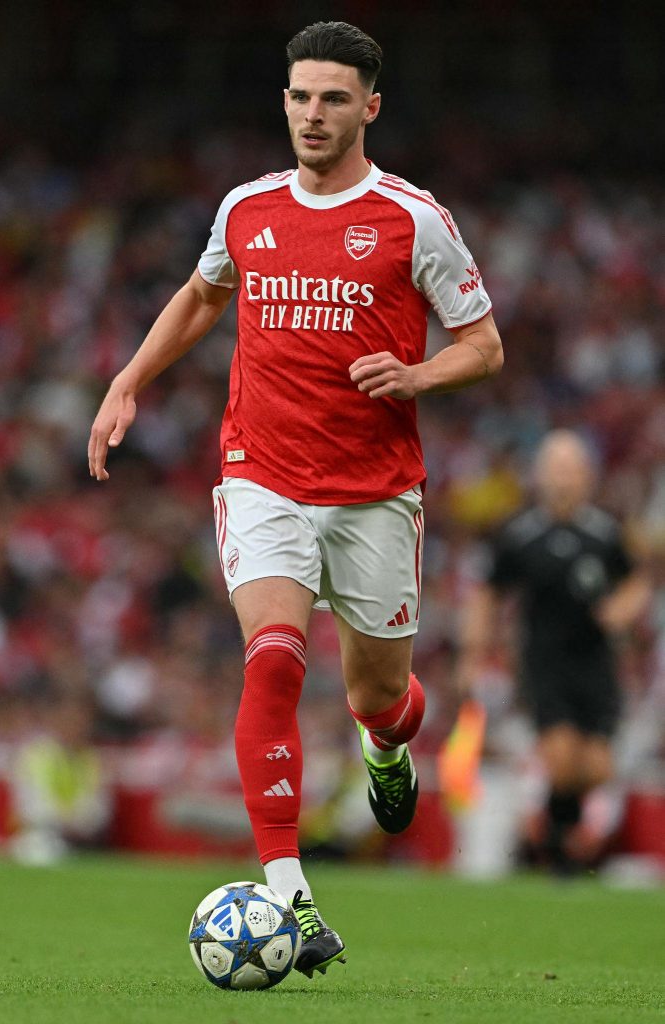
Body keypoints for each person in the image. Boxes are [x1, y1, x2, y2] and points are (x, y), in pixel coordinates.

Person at [88, 21, 502, 975]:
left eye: (333, 98)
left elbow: (483, 346)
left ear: (369, 108)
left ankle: (385, 745)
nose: (313, 114)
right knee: (272, 662)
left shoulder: (412, 219)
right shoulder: (246, 207)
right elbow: (204, 295)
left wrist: (417, 375)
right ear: (284, 101)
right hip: (261, 472)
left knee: (379, 694)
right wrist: (128, 381)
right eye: (300, 96)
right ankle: (291, 896)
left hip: (374, 492)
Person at [458, 430, 650, 873]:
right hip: (545, 662)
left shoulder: (604, 533)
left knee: (597, 766)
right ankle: (561, 857)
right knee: (561, 758)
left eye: (571, 469)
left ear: (587, 476)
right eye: (556, 468)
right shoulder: (521, 535)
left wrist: (622, 608)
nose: (563, 478)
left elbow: (636, 580)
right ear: (540, 476)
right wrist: (473, 653)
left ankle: (557, 838)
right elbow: (488, 594)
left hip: (596, 663)